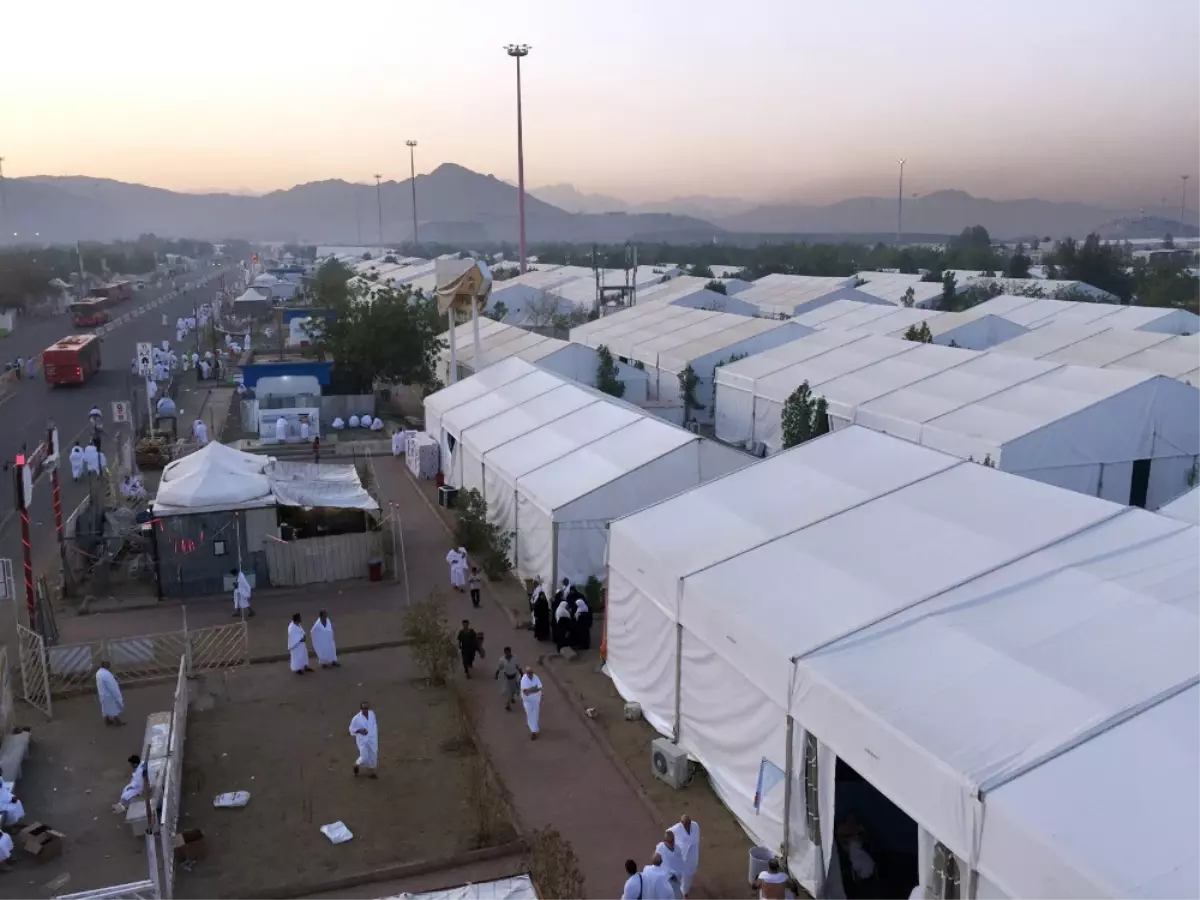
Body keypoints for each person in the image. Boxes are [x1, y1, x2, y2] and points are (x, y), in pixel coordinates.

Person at [669, 815, 700, 899]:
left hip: (692, 855)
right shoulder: (676, 829)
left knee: (689, 874)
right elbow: (668, 834)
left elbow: (696, 840)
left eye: (688, 824)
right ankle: (679, 892)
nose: (687, 826)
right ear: (681, 823)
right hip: (680, 856)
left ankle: (684, 891)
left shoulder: (695, 826)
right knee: (677, 875)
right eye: (685, 824)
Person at [349, 701, 378, 778]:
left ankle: (372, 773)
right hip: (362, 740)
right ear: (361, 709)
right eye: (364, 708)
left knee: (373, 755)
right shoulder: (356, 718)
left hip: (372, 739)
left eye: (367, 708)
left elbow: (374, 725)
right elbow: (351, 729)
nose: (365, 710)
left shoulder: (372, 714)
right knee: (364, 757)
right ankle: (356, 764)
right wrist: (360, 731)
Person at [655, 830, 685, 900]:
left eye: (672, 841)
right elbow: (657, 862)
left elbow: (680, 863)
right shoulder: (660, 848)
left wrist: (679, 875)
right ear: (665, 841)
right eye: (669, 842)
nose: (671, 843)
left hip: (676, 879)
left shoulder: (678, 849)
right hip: (665, 878)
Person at [96, 660, 124, 726]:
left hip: (102, 693)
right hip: (109, 694)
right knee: (113, 707)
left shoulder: (99, 672)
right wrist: (116, 694)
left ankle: (107, 720)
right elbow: (111, 685)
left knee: (105, 707)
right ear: (106, 666)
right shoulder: (106, 674)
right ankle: (117, 722)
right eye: (108, 665)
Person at [494, 647, 521, 711]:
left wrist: (522, 673)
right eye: (506, 652)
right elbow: (499, 668)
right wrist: (496, 675)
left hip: (514, 677)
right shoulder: (502, 660)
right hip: (507, 678)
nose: (507, 654)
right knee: (508, 692)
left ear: (510, 652)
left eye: (508, 652)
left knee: (514, 690)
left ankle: (512, 698)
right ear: (504, 652)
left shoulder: (515, 658)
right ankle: (507, 705)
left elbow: (518, 666)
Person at [520, 666, 543, 740]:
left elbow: (539, 687)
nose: (530, 674)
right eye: (529, 673)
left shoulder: (536, 677)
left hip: (536, 700)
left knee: (535, 714)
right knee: (529, 714)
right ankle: (532, 726)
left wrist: (530, 690)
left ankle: (534, 732)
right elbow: (525, 692)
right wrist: (534, 689)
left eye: (531, 673)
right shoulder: (524, 679)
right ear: (526, 673)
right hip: (527, 701)